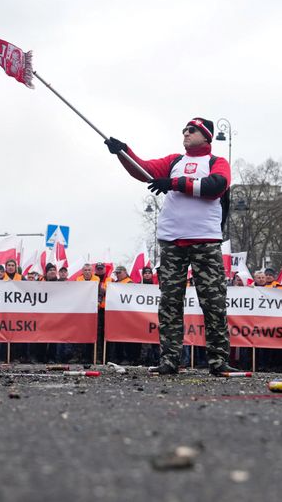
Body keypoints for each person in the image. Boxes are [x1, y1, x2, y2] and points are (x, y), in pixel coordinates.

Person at [105, 116, 236, 376]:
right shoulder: (174, 161)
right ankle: (170, 359)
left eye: (191, 130)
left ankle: (218, 360)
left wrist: (174, 183)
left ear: (206, 136)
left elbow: (216, 186)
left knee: (213, 302)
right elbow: (142, 170)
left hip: (205, 241)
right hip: (172, 241)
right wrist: (122, 152)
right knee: (170, 302)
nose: (185, 134)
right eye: (184, 130)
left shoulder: (216, 163)